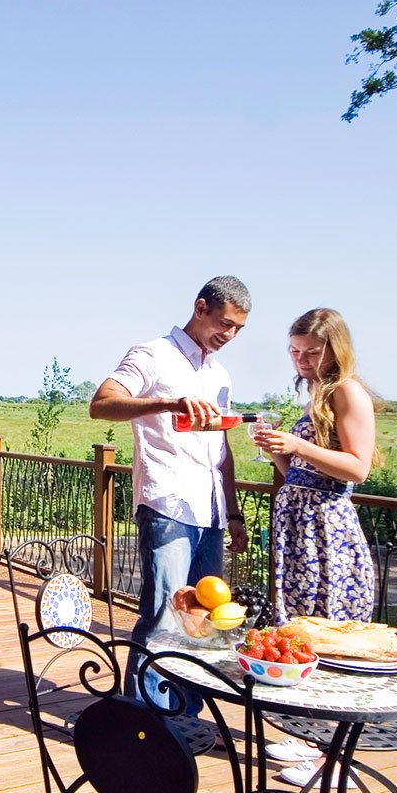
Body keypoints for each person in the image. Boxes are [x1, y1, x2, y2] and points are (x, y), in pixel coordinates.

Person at [90, 276, 250, 701]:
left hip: (211, 511)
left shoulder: (220, 375)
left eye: (238, 329)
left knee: (207, 620)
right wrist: (167, 403)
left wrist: (233, 513)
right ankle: (145, 719)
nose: (230, 335)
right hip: (167, 504)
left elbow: (222, 448)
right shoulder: (153, 355)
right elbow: (100, 403)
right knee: (164, 615)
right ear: (200, 309)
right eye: (225, 324)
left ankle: (186, 714)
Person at [253, 307, 381, 623]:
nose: (302, 360)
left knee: (322, 625)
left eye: (312, 352)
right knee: (299, 625)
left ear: (336, 351)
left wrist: (298, 445)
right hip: (299, 526)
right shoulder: (316, 394)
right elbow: (300, 476)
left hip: (325, 529)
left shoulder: (346, 390)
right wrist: (275, 449)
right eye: (295, 351)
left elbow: (357, 468)